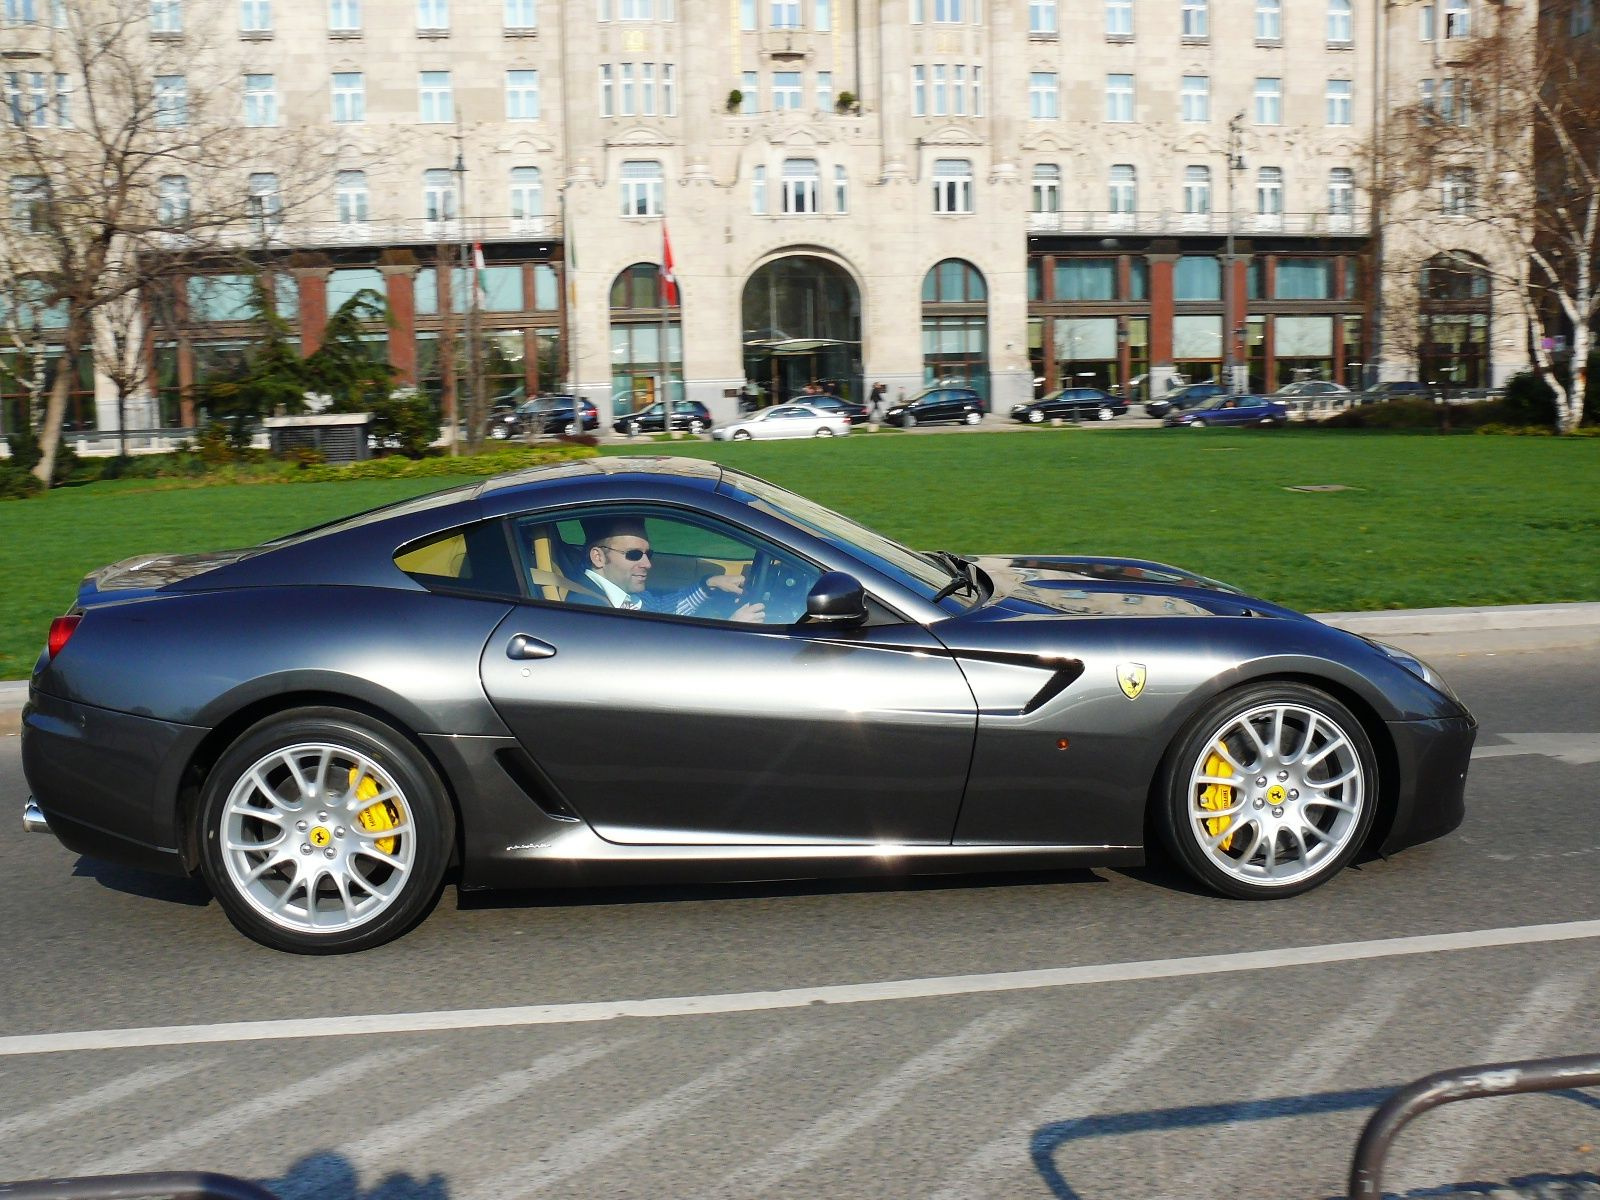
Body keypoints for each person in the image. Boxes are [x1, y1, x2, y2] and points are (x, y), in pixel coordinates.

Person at [580, 518, 765, 622]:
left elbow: (661, 609)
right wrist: (730, 628)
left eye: (648, 554)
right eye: (634, 555)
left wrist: (708, 585)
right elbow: (658, 656)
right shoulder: (590, 612)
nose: (647, 564)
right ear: (598, 557)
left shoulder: (623, 595)